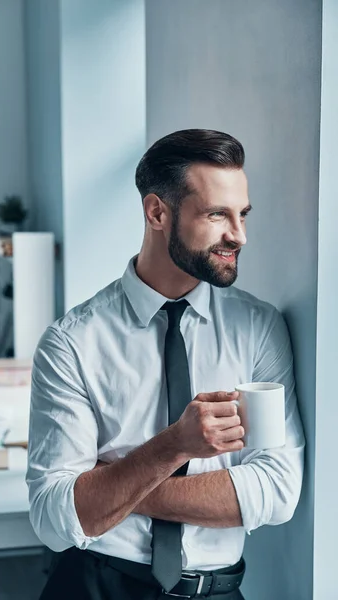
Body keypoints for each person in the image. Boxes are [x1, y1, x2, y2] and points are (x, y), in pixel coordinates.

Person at [27, 129, 305, 600]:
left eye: (242, 214)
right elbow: (56, 521)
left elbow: (277, 494)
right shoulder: (71, 342)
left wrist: (109, 486)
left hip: (217, 591)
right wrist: (172, 447)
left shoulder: (259, 328)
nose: (239, 235)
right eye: (217, 214)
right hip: (95, 586)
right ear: (157, 212)